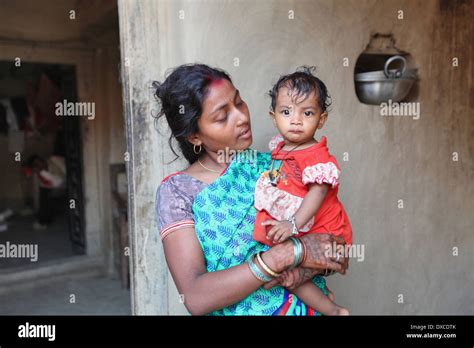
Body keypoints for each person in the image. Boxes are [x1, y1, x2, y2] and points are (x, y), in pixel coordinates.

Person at [155, 64, 348, 316]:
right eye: (222, 116)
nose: (242, 117)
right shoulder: (178, 193)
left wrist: (311, 267)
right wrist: (287, 254)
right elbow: (195, 296)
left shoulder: (278, 167)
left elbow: (336, 248)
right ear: (194, 137)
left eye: (239, 102)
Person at [252, 66, 352, 315]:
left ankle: (332, 309)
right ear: (273, 116)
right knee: (291, 278)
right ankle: (331, 305)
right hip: (304, 227)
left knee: (290, 275)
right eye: (286, 112)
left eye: (307, 113)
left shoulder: (315, 154)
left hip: (322, 227)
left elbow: (317, 192)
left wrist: (292, 224)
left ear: (322, 119)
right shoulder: (282, 147)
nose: (295, 120)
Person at [26, 154, 66, 229]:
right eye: (36, 166)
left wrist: (43, 173)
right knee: (44, 191)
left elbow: (60, 180)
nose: (39, 166)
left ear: (41, 160)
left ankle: (44, 221)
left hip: (67, 181)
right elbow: (46, 183)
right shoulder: (42, 169)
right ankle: (43, 220)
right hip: (57, 184)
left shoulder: (54, 160)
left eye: (38, 163)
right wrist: (41, 173)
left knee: (46, 192)